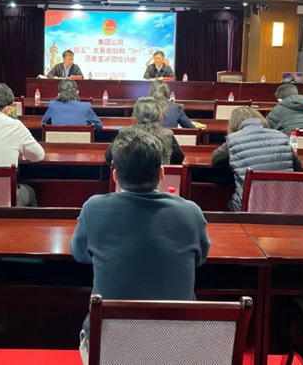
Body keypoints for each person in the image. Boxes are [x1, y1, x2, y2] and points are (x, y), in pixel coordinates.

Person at [71, 128, 210, 364]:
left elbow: (79, 254)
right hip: (175, 348)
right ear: (162, 172)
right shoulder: (191, 212)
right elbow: (200, 259)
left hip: (110, 349)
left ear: (115, 175)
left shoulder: (93, 208)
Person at [211, 107, 301, 212]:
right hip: (283, 205)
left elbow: (215, 159)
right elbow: (298, 167)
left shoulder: (234, 139)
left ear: (234, 124)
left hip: (247, 207)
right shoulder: (281, 136)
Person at [104, 97, 185, 165]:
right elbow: (179, 159)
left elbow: (108, 157)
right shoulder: (167, 134)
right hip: (160, 179)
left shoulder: (124, 132)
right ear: (159, 117)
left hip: (129, 178)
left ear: (135, 116)